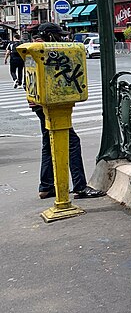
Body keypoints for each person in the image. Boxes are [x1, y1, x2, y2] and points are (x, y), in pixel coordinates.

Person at [28, 23, 104, 200]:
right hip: (51, 105)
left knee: (48, 144)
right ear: (50, 36)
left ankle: (46, 186)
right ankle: (80, 186)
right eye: (59, 36)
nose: (62, 39)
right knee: (72, 142)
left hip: (38, 103)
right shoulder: (46, 50)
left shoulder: (32, 49)